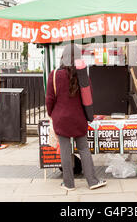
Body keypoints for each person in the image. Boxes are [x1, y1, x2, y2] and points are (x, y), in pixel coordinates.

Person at [46, 44, 107, 191]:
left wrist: (51, 113)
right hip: (78, 118)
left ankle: (68, 184)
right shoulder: (82, 75)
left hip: (61, 118)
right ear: (79, 58)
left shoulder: (54, 74)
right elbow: (89, 96)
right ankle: (92, 181)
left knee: (65, 151)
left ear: (63, 57)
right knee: (84, 149)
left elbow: (49, 99)